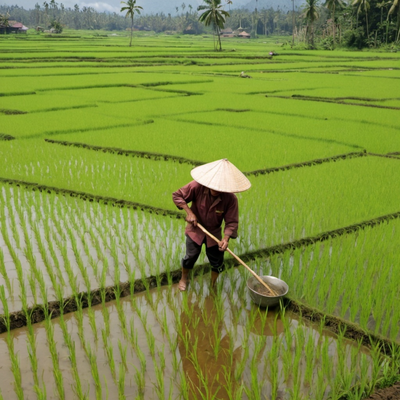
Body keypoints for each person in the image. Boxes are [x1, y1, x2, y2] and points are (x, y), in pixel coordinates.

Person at [172, 158, 251, 291]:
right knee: (190, 257)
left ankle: (213, 285)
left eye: (220, 187)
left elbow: (231, 222)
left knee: (217, 262)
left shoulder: (230, 199)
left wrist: (225, 239)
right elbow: (177, 196)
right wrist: (189, 212)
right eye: (214, 185)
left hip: (214, 234)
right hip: (195, 229)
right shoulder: (196, 187)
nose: (216, 189)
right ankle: (183, 278)